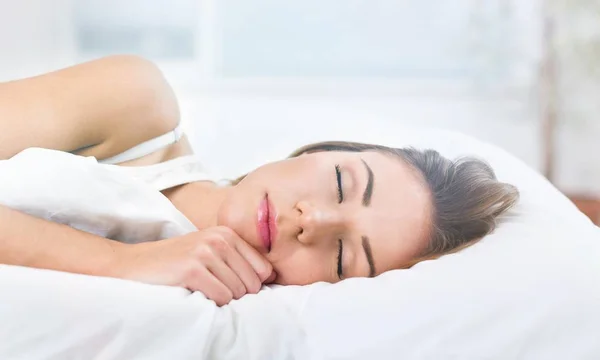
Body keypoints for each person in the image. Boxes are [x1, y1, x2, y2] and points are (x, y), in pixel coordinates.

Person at [0, 56, 519, 306]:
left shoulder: (218, 319)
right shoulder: (136, 106)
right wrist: (122, 263)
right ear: (320, 151)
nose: (312, 220)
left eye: (341, 259)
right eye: (340, 183)